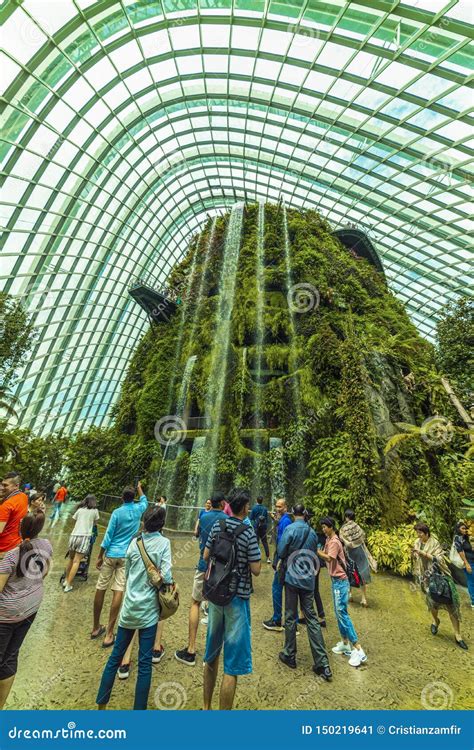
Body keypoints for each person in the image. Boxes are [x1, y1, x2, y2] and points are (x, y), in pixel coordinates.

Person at [96, 504, 172, 710]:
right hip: (148, 612)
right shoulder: (165, 543)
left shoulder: (133, 543)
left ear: (144, 523)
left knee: (114, 658)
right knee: (145, 665)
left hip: (129, 609)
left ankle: (101, 706)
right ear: (162, 524)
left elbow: (128, 574)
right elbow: (168, 577)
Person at [202, 488, 261, 710]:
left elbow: (206, 556)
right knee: (231, 667)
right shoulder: (248, 532)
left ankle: (206, 707)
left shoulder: (219, 525)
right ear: (245, 507)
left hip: (216, 596)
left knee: (211, 656)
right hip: (237, 599)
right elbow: (256, 569)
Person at [0, 512, 52, 709]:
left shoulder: (12, 556)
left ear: (20, 530)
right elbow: (44, 573)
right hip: (30, 608)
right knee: (10, 656)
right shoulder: (46, 546)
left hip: (5, 615)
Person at [277, 505, 332, 681]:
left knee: (291, 616)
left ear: (294, 514)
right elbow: (314, 553)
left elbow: (281, 551)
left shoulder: (290, 529)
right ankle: (322, 663)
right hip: (308, 579)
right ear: (305, 515)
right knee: (312, 619)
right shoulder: (312, 533)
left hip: (292, 578)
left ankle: (289, 654)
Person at [91, 483, 148, 647]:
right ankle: (109, 633)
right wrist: (139, 488)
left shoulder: (117, 512)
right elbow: (145, 501)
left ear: (122, 498)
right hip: (125, 555)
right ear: (134, 498)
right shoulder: (138, 509)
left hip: (111, 554)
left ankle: (95, 627)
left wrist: (100, 556)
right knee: (119, 589)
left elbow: (108, 535)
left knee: (101, 587)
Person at [175, 491, 227, 666]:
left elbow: (197, 533)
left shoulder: (203, 517)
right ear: (222, 504)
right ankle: (211, 655)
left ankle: (190, 650)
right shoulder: (227, 520)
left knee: (195, 603)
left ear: (211, 503)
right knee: (216, 607)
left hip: (203, 564)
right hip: (220, 569)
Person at [317, 517, 367, 668]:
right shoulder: (329, 539)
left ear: (331, 527)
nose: (323, 529)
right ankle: (345, 643)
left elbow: (330, 558)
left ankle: (359, 649)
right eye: (322, 527)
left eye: (325, 527)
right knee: (338, 612)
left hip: (340, 582)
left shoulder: (334, 542)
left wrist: (316, 551)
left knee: (342, 613)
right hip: (335, 581)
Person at [413, 522, 467, 649]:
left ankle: (457, 635)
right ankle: (435, 621)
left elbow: (439, 559)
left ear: (426, 533)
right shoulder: (417, 542)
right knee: (432, 603)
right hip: (427, 578)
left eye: (420, 533)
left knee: (451, 604)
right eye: (417, 533)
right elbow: (416, 559)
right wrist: (415, 555)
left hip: (441, 577)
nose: (418, 535)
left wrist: (423, 554)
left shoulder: (434, 543)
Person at [263, 497, 292, 631]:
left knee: (277, 588)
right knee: (286, 590)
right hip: (283, 558)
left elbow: (285, 543)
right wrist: (276, 521)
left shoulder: (286, 521)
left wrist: (279, 560)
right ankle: (291, 622)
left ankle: (277, 620)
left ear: (286, 507)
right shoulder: (283, 520)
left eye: (280, 507)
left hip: (282, 559)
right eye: (276, 506)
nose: (277, 509)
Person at [63, 495, 100, 592]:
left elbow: (74, 520)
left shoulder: (80, 510)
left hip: (74, 536)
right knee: (76, 561)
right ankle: (69, 585)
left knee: (71, 559)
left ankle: (66, 581)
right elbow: (95, 524)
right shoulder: (95, 511)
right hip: (84, 537)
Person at [339, 509, 371, 607]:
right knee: (362, 573)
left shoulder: (344, 528)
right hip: (360, 552)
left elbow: (341, 538)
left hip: (350, 553)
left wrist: (348, 542)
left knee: (349, 572)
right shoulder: (358, 527)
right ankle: (364, 598)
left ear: (346, 517)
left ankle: (350, 594)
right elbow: (363, 537)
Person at [0, 473, 29, 561]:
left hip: (3, 548)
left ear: (16, 486)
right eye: (2, 484)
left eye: (5, 485)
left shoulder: (6, 505)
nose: (2, 487)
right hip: (16, 544)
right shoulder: (24, 497)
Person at [453, 521, 474, 607]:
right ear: (458, 529)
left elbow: (468, 549)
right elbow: (460, 551)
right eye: (462, 528)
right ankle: (473, 601)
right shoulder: (457, 538)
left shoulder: (465, 538)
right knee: (471, 581)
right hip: (468, 562)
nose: (465, 530)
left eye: (465, 528)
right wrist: (466, 564)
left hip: (472, 561)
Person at [249, 496, 271, 564]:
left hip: (256, 527)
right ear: (262, 501)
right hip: (263, 527)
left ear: (256, 500)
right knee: (265, 542)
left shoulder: (254, 508)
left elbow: (251, 518)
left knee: (256, 542)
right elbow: (267, 519)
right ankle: (268, 558)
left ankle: (257, 558)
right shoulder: (265, 508)